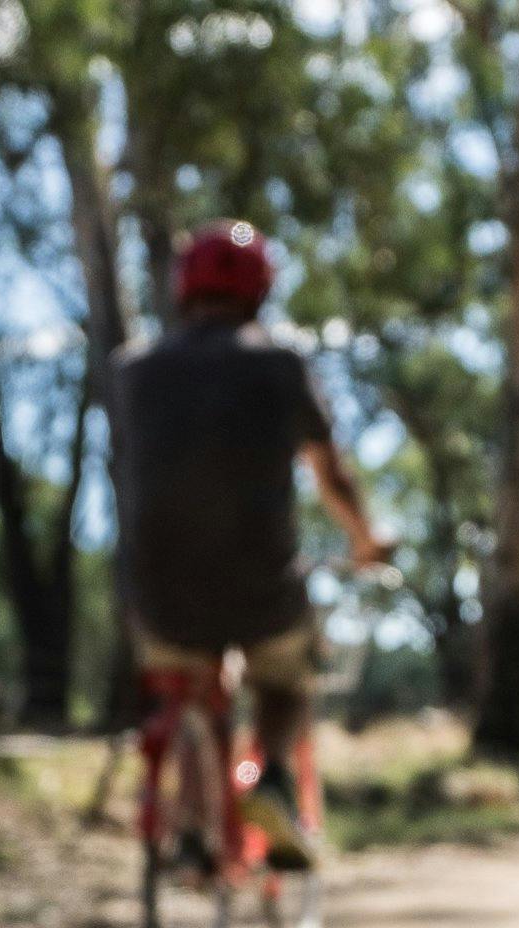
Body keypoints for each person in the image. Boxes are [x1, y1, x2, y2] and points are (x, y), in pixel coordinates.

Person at [113, 221, 388, 870]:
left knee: (190, 674)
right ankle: (267, 784)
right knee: (288, 681)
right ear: (262, 290)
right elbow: (332, 475)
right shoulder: (279, 364)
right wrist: (366, 540)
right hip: (261, 590)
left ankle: (190, 828)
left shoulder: (131, 370)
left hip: (156, 595)